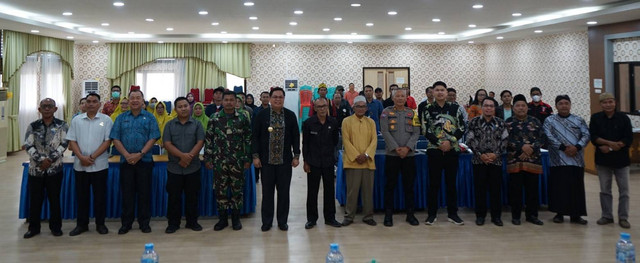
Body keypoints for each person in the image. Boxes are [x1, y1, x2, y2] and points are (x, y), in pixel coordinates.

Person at [110, 89, 161, 234]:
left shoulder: (150, 117)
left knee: (144, 194)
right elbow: (115, 138)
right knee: (127, 194)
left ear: (143, 101)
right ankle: (126, 223)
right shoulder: (121, 117)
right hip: (126, 162)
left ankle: (144, 223)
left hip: (144, 161)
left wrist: (140, 154)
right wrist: (127, 155)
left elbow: (153, 137)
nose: (134, 100)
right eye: (132, 98)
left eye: (138, 98)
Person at [252, 87, 300, 232]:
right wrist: (255, 156)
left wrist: (296, 155)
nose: (278, 99)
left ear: (283, 99)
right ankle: (266, 222)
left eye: (280, 97)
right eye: (275, 97)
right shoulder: (262, 115)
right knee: (267, 193)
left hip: (285, 161)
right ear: (270, 99)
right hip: (266, 162)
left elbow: (296, 137)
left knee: (284, 193)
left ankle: (282, 221)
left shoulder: (290, 116)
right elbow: (255, 137)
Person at [66, 93, 113, 236]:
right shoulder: (77, 120)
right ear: (85, 104)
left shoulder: (106, 120)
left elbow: (107, 142)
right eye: (88, 101)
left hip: (99, 166)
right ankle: (82, 225)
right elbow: (72, 140)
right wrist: (81, 157)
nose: (91, 104)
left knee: (100, 197)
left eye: (94, 101)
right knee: (81, 197)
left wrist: (91, 157)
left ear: (99, 104)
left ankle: (100, 224)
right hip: (80, 166)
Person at [23, 98, 69, 239]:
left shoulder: (62, 125)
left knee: (54, 199)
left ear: (55, 109)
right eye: (44, 106)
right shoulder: (33, 125)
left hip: (54, 169)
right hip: (35, 170)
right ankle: (34, 228)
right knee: (35, 200)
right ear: (39, 109)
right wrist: (40, 160)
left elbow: (64, 144)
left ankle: (56, 228)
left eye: (50, 106)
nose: (47, 108)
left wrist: (49, 160)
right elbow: (28, 145)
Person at [205, 91, 251, 231]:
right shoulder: (214, 118)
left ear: (236, 102)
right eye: (227, 100)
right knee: (221, 191)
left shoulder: (242, 117)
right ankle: (223, 220)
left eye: (232, 100)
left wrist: (247, 158)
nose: (229, 102)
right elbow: (209, 139)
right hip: (220, 161)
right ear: (222, 101)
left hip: (237, 161)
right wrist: (208, 158)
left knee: (237, 191)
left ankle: (236, 220)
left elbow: (248, 139)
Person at [422, 81, 466, 225]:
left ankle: (452, 214)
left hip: (452, 149)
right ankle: (432, 214)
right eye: (437, 90)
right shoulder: (427, 108)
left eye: (442, 90)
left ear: (447, 93)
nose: (440, 92)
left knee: (451, 183)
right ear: (432, 92)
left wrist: (451, 141)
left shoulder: (456, 108)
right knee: (433, 184)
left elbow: (462, 127)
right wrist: (439, 143)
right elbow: (425, 129)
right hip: (434, 150)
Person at [543, 95, 590, 225]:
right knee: (559, 187)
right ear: (556, 106)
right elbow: (548, 135)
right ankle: (559, 213)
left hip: (576, 159)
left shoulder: (578, 120)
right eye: (561, 103)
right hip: (558, 160)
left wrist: (577, 147)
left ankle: (576, 215)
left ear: (570, 105)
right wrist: (563, 147)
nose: (564, 105)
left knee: (576, 188)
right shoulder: (549, 120)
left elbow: (586, 135)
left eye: (566, 103)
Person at [589, 93, 633, 229]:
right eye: (605, 102)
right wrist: (608, 144)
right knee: (605, 190)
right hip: (603, 161)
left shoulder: (624, 118)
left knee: (624, 191)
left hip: (622, 161)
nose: (608, 104)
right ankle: (607, 215)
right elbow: (593, 137)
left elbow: (628, 139)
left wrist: (612, 148)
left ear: (615, 102)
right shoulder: (596, 118)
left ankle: (623, 217)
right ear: (601, 104)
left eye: (610, 101)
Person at [162, 97, 205, 233]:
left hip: (193, 167)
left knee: (192, 196)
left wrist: (188, 158)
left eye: (185, 105)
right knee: (174, 197)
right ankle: (173, 223)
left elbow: (200, 141)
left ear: (189, 107)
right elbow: (167, 144)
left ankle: (192, 222)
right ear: (175, 109)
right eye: (180, 106)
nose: (183, 108)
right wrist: (182, 156)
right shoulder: (169, 125)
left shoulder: (197, 124)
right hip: (174, 167)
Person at [380, 89, 421, 227]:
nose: (399, 98)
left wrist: (407, 148)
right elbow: (384, 131)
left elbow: (416, 133)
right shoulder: (386, 112)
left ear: (406, 98)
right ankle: (388, 215)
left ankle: (410, 214)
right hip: (392, 155)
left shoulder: (412, 113)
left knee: (409, 186)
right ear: (392, 98)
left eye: (402, 96)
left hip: (409, 155)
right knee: (389, 186)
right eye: (397, 96)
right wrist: (396, 148)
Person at [466, 97, 508, 226]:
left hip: (496, 161)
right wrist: (481, 155)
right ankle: (480, 216)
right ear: (482, 107)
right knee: (480, 190)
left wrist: (495, 155)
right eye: (486, 105)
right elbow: (470, 140)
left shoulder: (501, 123)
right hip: (479, 162)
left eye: (491, 106)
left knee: (496, 190)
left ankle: (496, 216)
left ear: (494, 108)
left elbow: (505, 141)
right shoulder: (473, 122)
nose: (488, 108)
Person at [302, 97, 342, 229]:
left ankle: (330, 218)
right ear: (314, 108)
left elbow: (336, 141)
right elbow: (305, 144)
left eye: (324, 106)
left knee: (329, 191)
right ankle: (312, 219)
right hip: (313, 162)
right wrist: (306, 161)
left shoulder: (333, 122)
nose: (322, 109)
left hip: (328, 162)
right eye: (319, 107)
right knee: (312, 192)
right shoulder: (308, 123)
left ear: (328, 107)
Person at [505, 94, 545, 226]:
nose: (521, 108)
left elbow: (542, 138)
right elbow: (505, 140)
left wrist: (530, 149)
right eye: (518, 106)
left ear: (527, 108)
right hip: (515, 161)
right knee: (515, 191)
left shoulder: (536, 121)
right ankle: (516, 216)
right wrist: (521, 147)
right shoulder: (508, 123)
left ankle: (532, 215)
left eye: (523, 106)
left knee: (532, 190)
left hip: (532, 161)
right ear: (513, 108)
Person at [341, 96, 378, 227]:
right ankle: (349, 216)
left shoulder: (371, 122)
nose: (361, 109)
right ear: (353, 108)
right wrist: (357, 156)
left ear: (366, 108)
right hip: (353, 162)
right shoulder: (346, 121)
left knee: (368, 191)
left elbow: (374, 141)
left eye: (363, 106)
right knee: (352, 191)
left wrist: (366, 155)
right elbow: (346, 141)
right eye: (358, 106)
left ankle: (368, 216)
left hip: (368, 162)